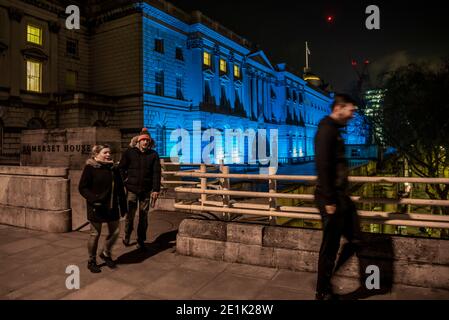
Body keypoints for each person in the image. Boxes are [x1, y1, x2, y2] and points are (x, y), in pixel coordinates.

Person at [314, 93, 362, 300]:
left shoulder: (335, 130)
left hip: (341, 197)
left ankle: (328, 282)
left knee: (355, 238)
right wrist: (330, 200)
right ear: (338, 108)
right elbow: (323, 165)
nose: (352, 115)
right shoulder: (326, 130)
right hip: (331, 198)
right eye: (350, 110)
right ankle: (322, 291)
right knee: (330, 247)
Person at [79, 144, 127, 273]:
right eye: (105, 152)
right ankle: (91, 260)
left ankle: (105, 253)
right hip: (97, 207)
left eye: (109, 152)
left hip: (112, 207)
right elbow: (82, 188)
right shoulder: (90, 168)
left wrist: (123, 206)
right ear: (96, 155)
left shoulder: (113, 168)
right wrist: (94, 199)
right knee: (95, 234)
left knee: (115, 232)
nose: (108, 155)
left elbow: (120, 188)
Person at [119, 128, 161, 250]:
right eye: (143, 140)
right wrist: (125, 180)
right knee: (130, 215)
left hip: (146, 190)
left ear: (150, 142)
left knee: (144, 216)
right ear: (138, 141)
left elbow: (156, 173)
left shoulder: (153, 155)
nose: (145, 142)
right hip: (132, 189)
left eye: (147, 140)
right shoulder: (130, 152)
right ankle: (127, 235)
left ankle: (141, 239)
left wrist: (156, 189)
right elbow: (121, 168)